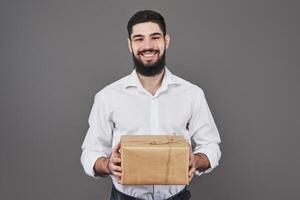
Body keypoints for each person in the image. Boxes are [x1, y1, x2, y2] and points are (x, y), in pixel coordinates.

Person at [81, 10, 221, 200]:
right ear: (130, 45)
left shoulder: (192, 94)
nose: (147, 46)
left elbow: (211, 146)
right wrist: (107, 165)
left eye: (154, 37)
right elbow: (90, 152)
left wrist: (194, 161)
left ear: (166, 41)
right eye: (139, 39)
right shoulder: (108, 96)